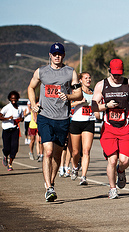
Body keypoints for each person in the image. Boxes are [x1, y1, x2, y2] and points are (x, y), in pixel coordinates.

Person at [27, 42, 82, 202]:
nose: (57, 56)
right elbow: (31, 87)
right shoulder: (41, 71)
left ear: (63, 55)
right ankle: (48, 187)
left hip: (62, 119)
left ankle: (51, 183)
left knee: (57, 155)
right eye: (54, 54)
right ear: (49, 55)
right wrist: (33, 103)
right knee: (48, 151)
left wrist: (69, 96)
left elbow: (78, 94)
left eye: (60, 54)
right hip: (45, 117)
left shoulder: (70, 72)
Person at [92, 58, 129, 199]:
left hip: (125, 127)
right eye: (114, 74)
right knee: (112, 160)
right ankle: (113, 189)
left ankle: (121, 171)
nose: (116, 77)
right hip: (108, 128)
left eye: (119, 74)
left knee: (124, 161)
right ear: (109, 71)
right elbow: (94, 107)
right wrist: (107, 106)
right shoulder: (101, 85)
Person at [69, 72, 96, 185]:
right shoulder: (75, 92)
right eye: (86, 78)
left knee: (86, 150)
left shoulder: (94, 92)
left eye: (90, 78)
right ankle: (75, 167)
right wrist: (80, 101)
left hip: (89, 122)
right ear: (80, 80)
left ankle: (84, 176)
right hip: (75, 122)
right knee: (75, 152)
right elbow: (68, 105)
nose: (88, 80)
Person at [0, 91, 24, 171]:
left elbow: (22, 118)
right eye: (12, 98)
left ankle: (10, 164)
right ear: (9, 98)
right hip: (6, 130)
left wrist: (20, 119)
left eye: (15, 98)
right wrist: (8, 118)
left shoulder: (20, 108)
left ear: (17, 99)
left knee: (15, 148)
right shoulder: (7, 107)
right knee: (7, 148)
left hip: (15, 130)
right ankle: (5, 155)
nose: (14, 100)